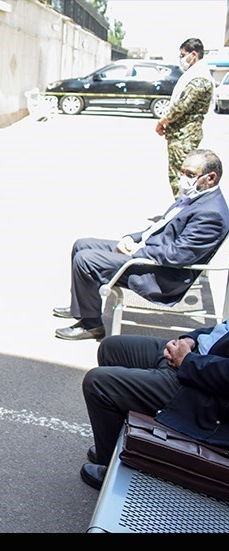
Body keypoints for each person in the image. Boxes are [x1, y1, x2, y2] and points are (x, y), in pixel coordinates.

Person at [54, 149, 229, 341]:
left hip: (161, 273)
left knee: (86, 260)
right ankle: (81, 307)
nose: (182, 178)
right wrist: (132, 238)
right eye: (182, 172)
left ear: (211, 178)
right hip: (150, 253)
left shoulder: (212, 214)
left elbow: (178, 255)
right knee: (82, 245)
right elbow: (160, 227)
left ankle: (91, 325)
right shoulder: (197, 197)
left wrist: (139, 251)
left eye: (190, 174)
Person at [80, 322, 229, 490]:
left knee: (98, 384)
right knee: (110, 348)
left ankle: (112, 471)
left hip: (208, 390)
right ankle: (114, 449)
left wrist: (187, 361)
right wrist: (190, 339)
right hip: (197, 356)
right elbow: (224, 328)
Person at [156, 38, 214, 197]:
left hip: (184, 136)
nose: (181, 59)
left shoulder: (199, 78)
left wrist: (162, 122)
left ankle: (184, 209)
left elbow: (181, 106)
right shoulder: (196, 75)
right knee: (181, 177)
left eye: (183, 55)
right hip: (182, 134)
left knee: (182, 179)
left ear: (193, 54)